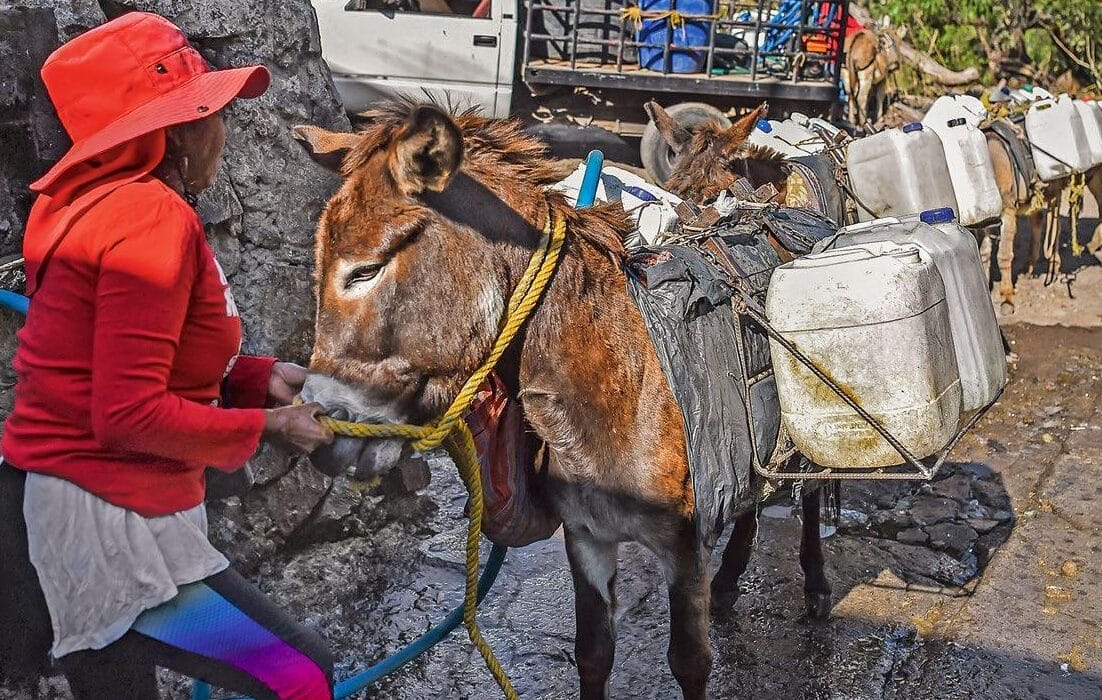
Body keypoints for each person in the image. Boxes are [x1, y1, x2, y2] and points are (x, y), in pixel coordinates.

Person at [0, 12, 337, 700]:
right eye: (213, 113)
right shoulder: (150, 220)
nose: (225, 131)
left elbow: (117, 356)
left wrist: (258, 377)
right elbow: (125, 412)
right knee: (299, 675)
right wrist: (272, 428)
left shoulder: (81, 204)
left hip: (56, 504)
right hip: (109, 527)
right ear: (175, 133)